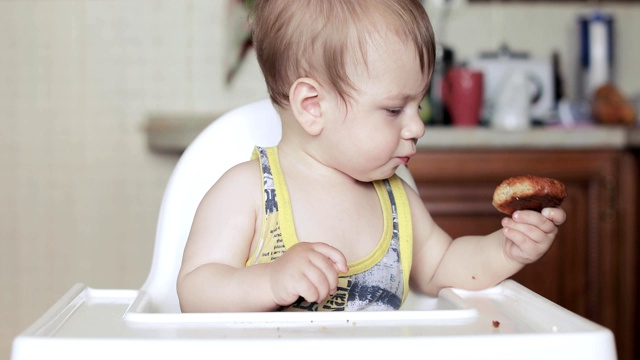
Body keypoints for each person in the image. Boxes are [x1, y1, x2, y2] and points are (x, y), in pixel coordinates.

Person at [177, 0, 566, 312]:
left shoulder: (396, 201)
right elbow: (195, 291)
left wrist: (506, 249)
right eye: (395, 109)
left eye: (419, 104)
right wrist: (271, 280)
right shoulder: (249, 191)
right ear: (313, 106)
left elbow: (445, 266)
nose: (417, 127)